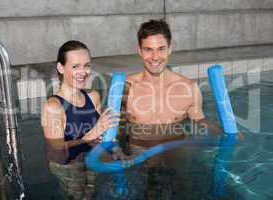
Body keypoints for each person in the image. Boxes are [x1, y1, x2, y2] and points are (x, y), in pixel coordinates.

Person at [121, 19, 222, 199]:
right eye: (148, 49)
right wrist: (117, 151)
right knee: (147, 191)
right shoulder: (125, 86)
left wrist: (227, 134)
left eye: (161, 48)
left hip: (177, 148)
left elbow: (199, 119)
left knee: (182, 189)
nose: (155, 57)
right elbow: (117, 126)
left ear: (170, 48)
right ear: (139, 50)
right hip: (140, 150)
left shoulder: (189, 87)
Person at [41, 40, 120, 199]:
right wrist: (90, 136)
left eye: (87, 65)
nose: (83, 72)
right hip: (68, 168)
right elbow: (57, 155)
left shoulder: (93, 96)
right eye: (75, 66)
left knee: (92, 194)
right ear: (60, 68)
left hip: (91, 160)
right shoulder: (53, 107)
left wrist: (112, 143)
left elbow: (100, 137)